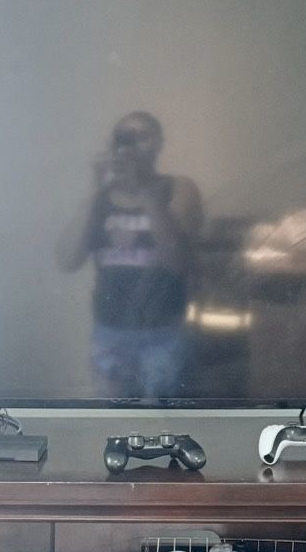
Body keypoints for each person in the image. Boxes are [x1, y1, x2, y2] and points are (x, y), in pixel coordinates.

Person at [58, 112, 203, 399]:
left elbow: (178, 263)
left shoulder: (178, 189)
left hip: (163, 330)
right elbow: (67, 260)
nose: (133, 144)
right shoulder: (101, 197)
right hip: (109, 330)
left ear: (159, 143)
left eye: (142, 136)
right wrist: (94, 191)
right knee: (113, 422)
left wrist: (144, 191)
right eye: (125, 137)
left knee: (162, 422)